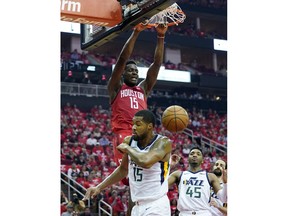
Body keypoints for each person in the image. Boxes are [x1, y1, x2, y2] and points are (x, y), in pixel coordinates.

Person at [107, 21, 167, 215]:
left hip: (147, 136)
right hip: (125, 135)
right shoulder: (116, 88)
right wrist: (136, 32)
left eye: (136, 71)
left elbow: (157, 64)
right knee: (132, 181)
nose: (134, 72)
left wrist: (160, 36)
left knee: (146, 176)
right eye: (130, 70)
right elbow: (123, 59)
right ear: (122, 73)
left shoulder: (143, 89)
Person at [83, 109, 173, 216]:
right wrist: (99, 187)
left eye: (138, 124)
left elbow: (146, 162)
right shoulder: (130, 141)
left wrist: (127, 148)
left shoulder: (163, 142)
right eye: (133, 124)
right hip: (137, 207)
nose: (133, 127)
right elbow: (123, 170)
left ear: (149, 126)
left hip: (156, 205)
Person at [168, 146, 227, 216]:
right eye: (192, 153)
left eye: (198, 154)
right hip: (185, 213)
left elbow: (223, 198)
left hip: (203, 213)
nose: (195, 155)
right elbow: (160, 187)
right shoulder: (178, 174)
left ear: (202, 160)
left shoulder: (210, 176)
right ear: (187, 159)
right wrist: (169, 166)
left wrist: (225, 183)